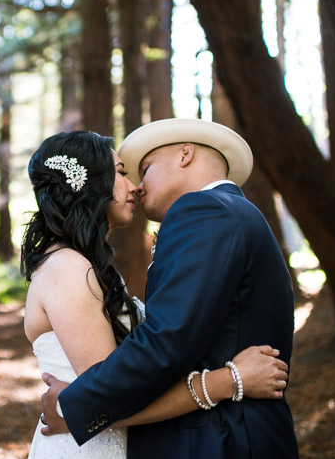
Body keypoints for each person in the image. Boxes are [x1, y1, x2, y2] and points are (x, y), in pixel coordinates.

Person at [39, 120, 299, 459]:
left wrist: (74, 406)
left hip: (219, 441)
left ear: (185, 154)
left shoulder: (204, 210)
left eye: (145, 169)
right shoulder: (233, 212)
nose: (138, 186)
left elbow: (167, 340)